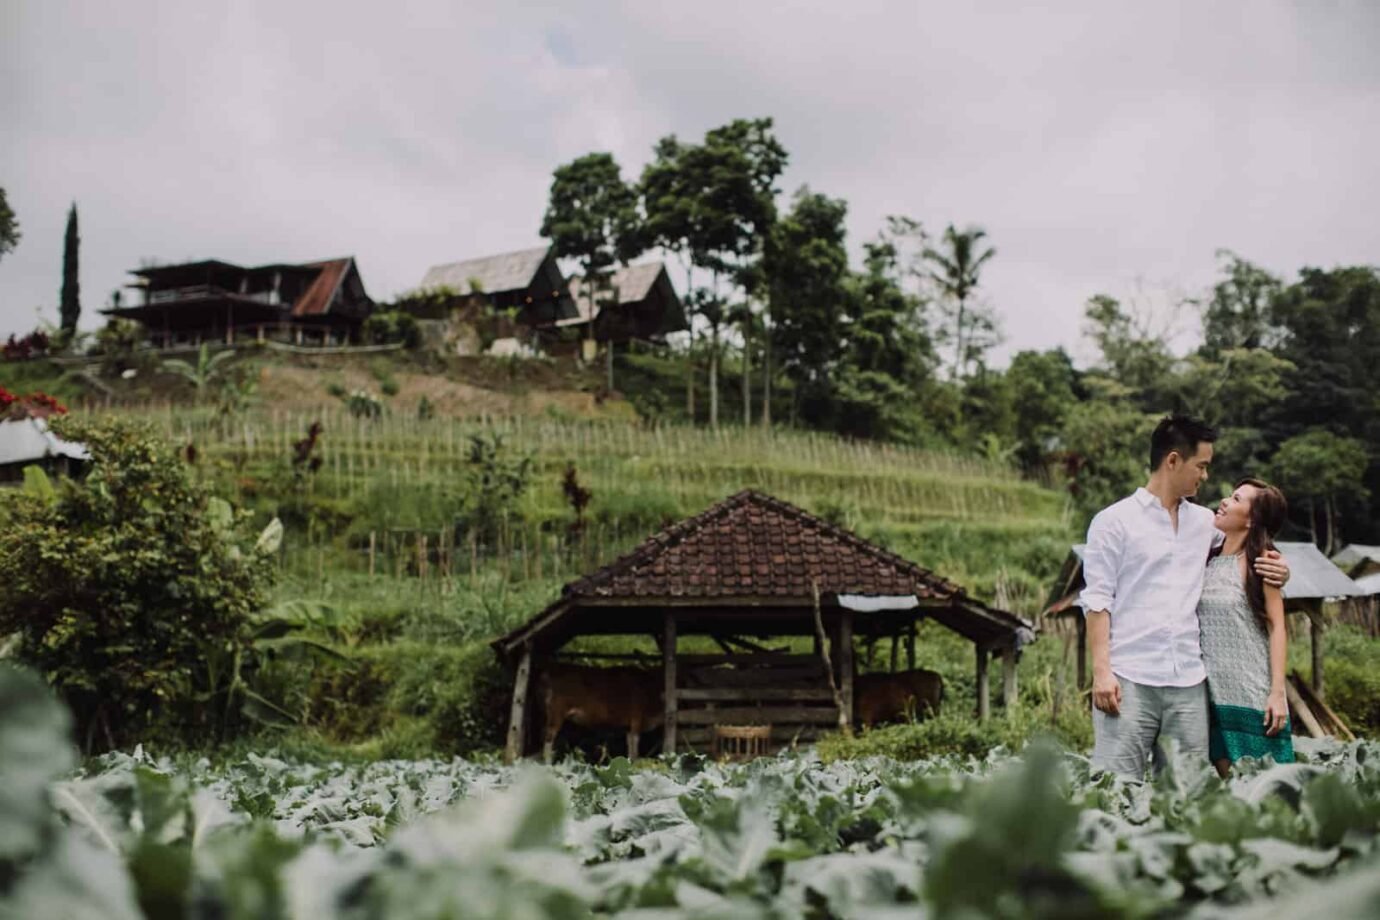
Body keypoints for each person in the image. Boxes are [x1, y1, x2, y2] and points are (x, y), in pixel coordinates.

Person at [1079, 416, 1290, 781]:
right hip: (1129, 679)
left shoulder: (1204, 523)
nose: (1206, 476)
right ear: (1173, 460)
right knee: (1116, 788)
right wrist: (1101, 672)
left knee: (1186, 793)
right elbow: (1098, 601)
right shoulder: (1113, 521)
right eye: (1202, 466)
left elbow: (1245, 548)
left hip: (1189, 685)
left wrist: (1281, 569)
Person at [1200, 478, 1293, 776]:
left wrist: (1277, 692)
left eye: (1237, 499)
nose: (1225, 501)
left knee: (1268, 791)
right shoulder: (1206, 558)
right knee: (1228, 789)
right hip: (1212, 694)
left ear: (1251, 520)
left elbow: (1278, 627)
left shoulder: (1262, 564)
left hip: (1252, 694)